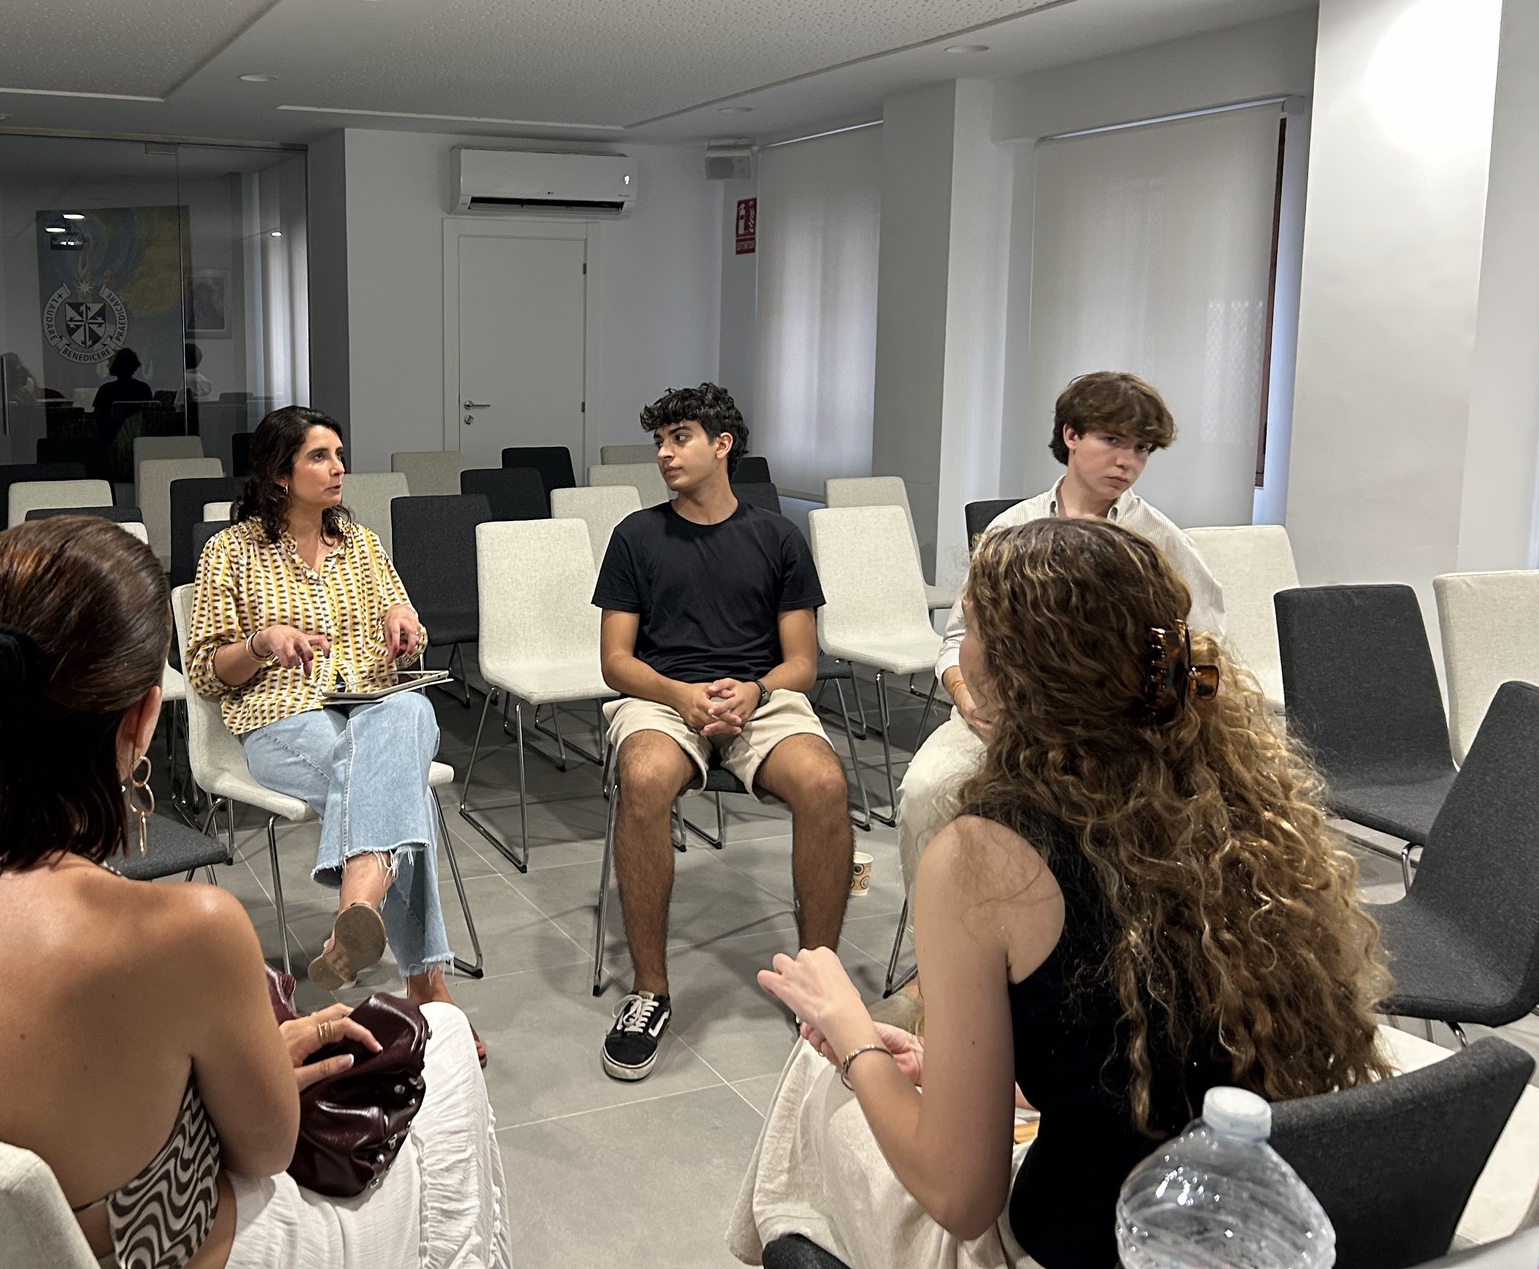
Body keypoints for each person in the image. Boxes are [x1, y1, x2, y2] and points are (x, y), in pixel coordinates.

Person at [0, 517, 508, 1269]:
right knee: (445, 1051)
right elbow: (266, 1149)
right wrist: (262, 1067)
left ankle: (368, 888)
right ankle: (403, 944)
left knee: (392, 738)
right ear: (144, 718)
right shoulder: (187, 932)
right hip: (171, 1253)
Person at [730, 518, 1390, 1269]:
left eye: (970, 627)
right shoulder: (1249, 818)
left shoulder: (981, 859)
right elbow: (1137, 1053)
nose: (959, 650)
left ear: (1013, 673)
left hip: (1088, 1245)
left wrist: (850, 1032)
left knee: (814, 1085)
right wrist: (953, 1071)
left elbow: (962, 1196)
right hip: (1239, 1233)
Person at [895, 372, 1225, 922]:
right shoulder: (1012, 529)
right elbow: (956, 640)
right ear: (1071, 435)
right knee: (926, 791)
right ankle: (937, 948)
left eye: (1142, 449)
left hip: (1112, 727)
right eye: (1112, 441)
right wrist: (967, 699)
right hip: (1003, 715)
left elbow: (1203, 650)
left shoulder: (1161, 541)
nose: (1128, 462)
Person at [186, 407, 474, 1035]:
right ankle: (426, 984)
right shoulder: (230, 552)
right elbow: (207, 673)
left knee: (411, 707)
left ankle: (358, 903)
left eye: (339, 454)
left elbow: (405, 622)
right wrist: (262, 642)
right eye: (319, 456)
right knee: (399, 791)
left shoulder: (361, 544)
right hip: (282, 717)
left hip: (371, 705)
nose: (338, 467)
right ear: (279, 473)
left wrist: (404, 622)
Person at [594, 384, 852, 1083]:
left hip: (756, 697)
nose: (664, 453)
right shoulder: (636, 536)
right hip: (663, 695)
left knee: (825, 782)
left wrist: (755, 690)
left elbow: (801, 663)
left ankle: (820, 984)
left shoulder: (777, 538)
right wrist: (681, 695)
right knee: (645, 777)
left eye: (679, 438)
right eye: (659, 441)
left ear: (722, 445)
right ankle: (650, 992)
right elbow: (616, 662)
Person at [93, 346, 153, 438]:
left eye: (110, 362)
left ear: (116, 364)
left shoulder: (105, 390)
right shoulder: (144, 389)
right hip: (138, 438)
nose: (107, 365)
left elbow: (97, 420)